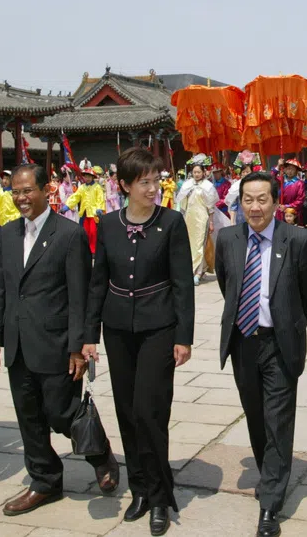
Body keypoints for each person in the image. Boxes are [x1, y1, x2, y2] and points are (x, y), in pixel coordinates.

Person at [0, 164, 120, 517]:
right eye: (15, 191)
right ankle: (45, 481)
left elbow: (80, 296)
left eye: (27, 190)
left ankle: (100, 454)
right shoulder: (7, 234)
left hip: (57, 343)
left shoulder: (68, 234)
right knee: (28, 416)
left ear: (47, 190)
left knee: (62, 413)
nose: (21, 198)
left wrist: (78, 347)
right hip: (17, 342)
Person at [86, 149, 195, 534]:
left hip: (158, 329)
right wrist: (89, 336)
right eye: (144, 182)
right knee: (127, 411)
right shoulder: (108, 224)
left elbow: (183, 284)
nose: (153, 189)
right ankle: (140, 489)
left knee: (151, 412)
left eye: (156, 180)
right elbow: (97, 282)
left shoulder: (171, 222)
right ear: (125, 185)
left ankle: (160, 496)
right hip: (117, 329)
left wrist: (184, 336)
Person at [215, 171, 307, 537]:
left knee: (278, 420)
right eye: (248, 200)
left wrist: (289, 324)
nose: (255, 207)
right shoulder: (228, 238)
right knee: (256, 416)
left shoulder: (298, 239)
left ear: (276, 202)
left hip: (279, 342)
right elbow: (227, 283)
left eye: (263, 199)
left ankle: (270, 504)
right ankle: (269, 473)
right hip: (243, 341)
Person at [176, 155, 219, 286]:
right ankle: (192, 269)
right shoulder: (187, 185)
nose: (196, 174)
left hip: (202, 219)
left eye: (199, 172)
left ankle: (198, 273)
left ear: (203, 172)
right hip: (189, 218)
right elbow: (182, 204)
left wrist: (211, 222)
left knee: (200, 244)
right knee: (190, 244)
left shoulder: (208, 186)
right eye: (194, 172)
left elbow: (210, 207)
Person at [61, 165, 106, 253]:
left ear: (92, 177)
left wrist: (99, 209)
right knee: (84, 232)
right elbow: (75, 197)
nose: (87, 178)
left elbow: (100, 198)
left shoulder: (97, 187)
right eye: (86, 176)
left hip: (93, 213)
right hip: (84, 213)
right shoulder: (82, 187)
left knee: (93, 232)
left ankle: (93, 250)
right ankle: (85, 249)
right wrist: (67, 206)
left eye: (89, 176)